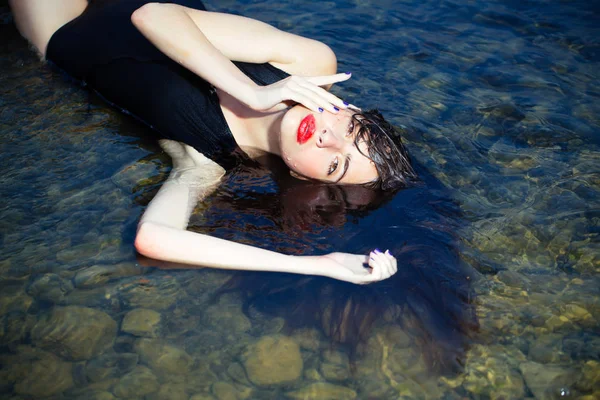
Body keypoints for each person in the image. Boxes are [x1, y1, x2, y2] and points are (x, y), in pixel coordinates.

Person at [10, 0, 417, 284]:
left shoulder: (206, 161)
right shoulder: (312, 65)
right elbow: (155, 16)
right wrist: (254, 92)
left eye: (334, 165)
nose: (329, 139)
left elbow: (153, 237)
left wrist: (318, 265)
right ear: (351, 109)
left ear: (303, 177)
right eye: (353, 130)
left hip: (65, 31)